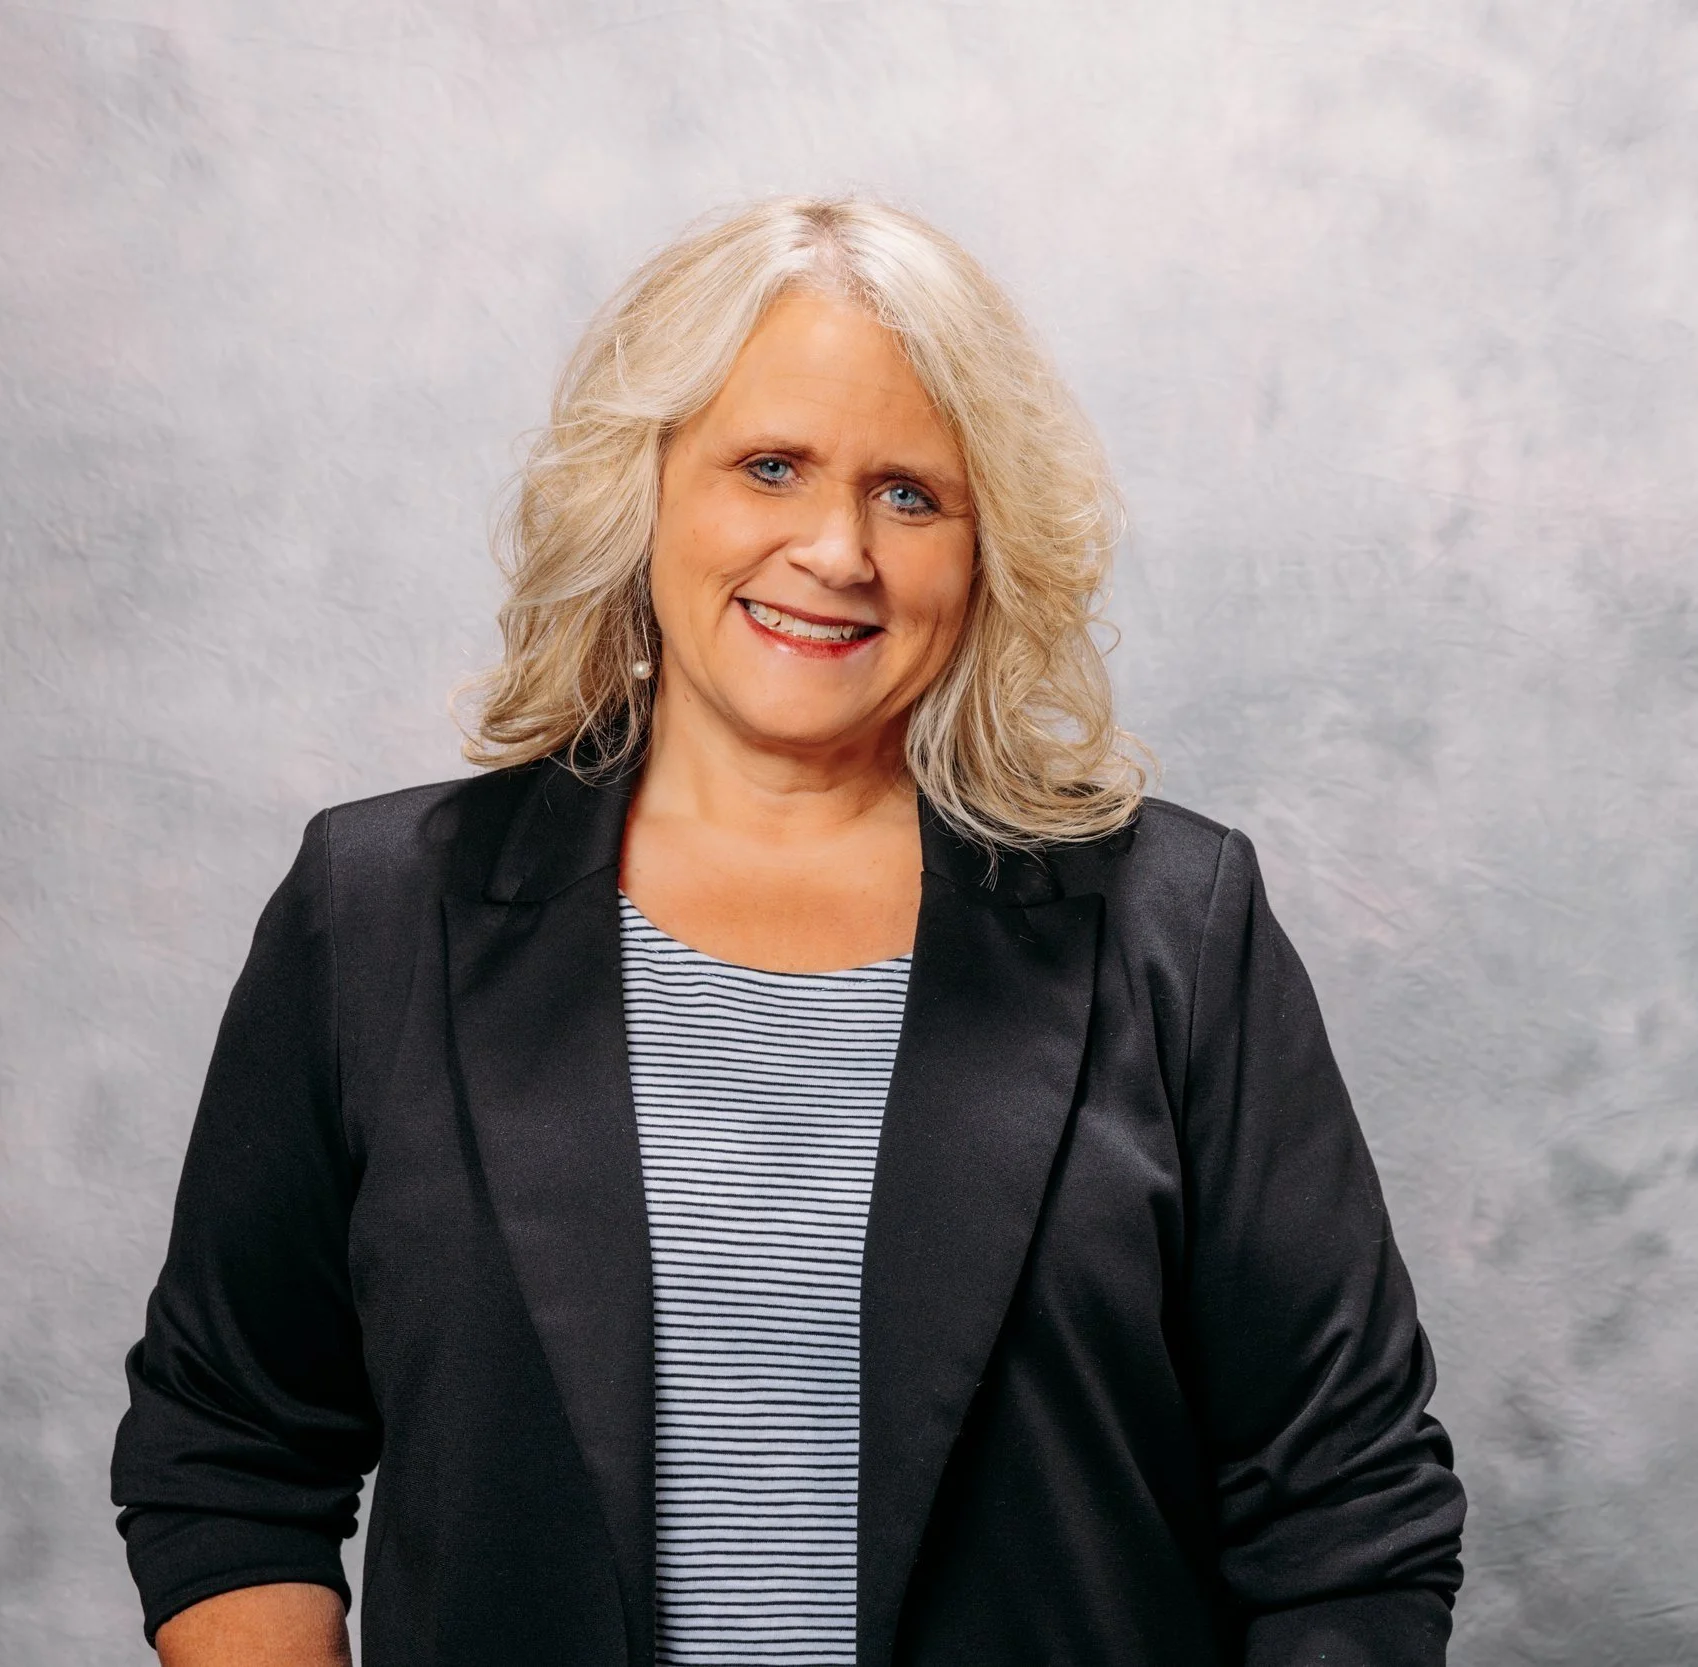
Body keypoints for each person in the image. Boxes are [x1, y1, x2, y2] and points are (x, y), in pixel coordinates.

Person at [111, 196, 1466, 1667]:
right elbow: (229, 1452)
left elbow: (1349, 1509)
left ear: (988, 546)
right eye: (770, 467)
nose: (836, 549)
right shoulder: (377, 911)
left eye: (911, 494)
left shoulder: (1173, 929)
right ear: (642, 489)